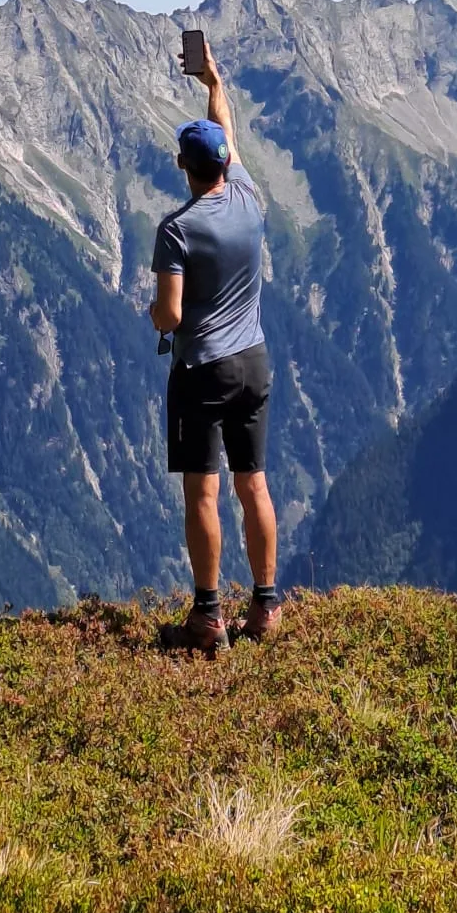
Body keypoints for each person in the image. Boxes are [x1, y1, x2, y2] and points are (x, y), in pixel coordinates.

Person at [149, 43, 280, 654]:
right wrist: (214, 82)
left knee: (204, 492)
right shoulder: (249, 197)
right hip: (254, 362)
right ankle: (265, 605)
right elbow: (227, 132)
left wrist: (153, 314)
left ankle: (207, 617)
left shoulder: (177, 230)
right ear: (225, 162)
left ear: (184, 166)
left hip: (202, 371)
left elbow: (171, 314)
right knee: (253, 485)